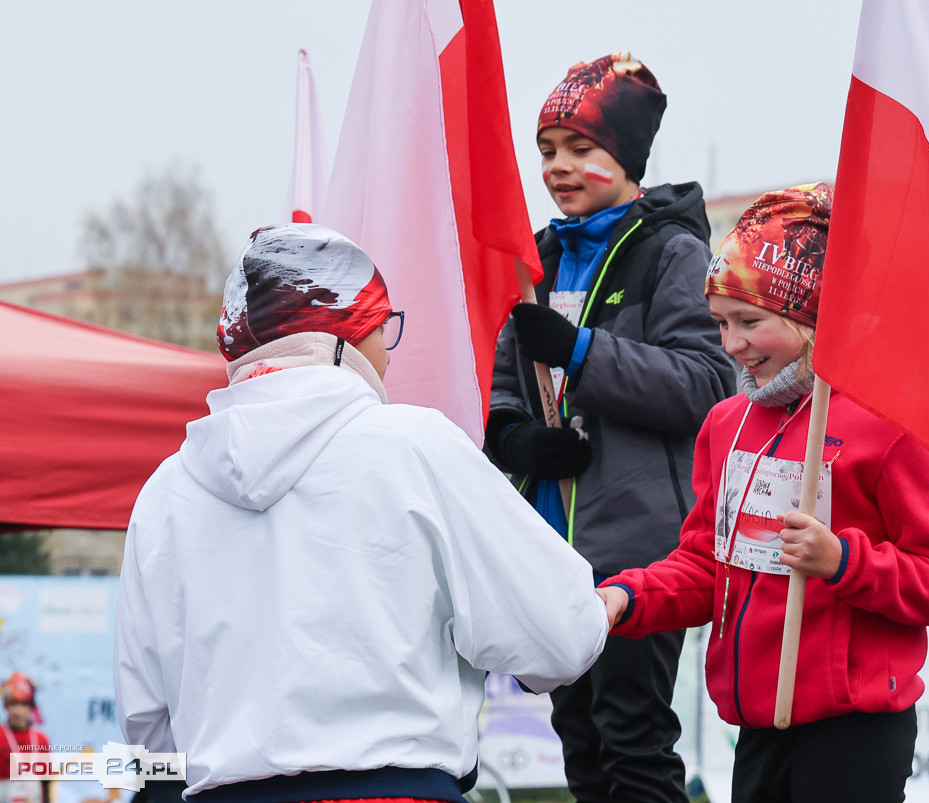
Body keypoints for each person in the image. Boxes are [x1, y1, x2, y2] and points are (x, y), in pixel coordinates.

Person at [114, 223, 610, 803]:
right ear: (344, 341)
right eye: (383, 330)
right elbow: (561, 636)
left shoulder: (166, 490)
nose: (388, 354)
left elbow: (147, 726)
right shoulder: (415, 446)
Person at [597, 184, 929, 803]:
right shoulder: (727, 422)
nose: (731, 345)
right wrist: (626, 597)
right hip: (756, 725)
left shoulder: (895, 424)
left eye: (750, 322)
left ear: (813, 314)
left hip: (854, 731)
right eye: (719, 323)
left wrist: (844, 562)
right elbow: (705, 567)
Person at [485, 52, 734, 803]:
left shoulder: (673, 252)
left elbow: (707, 383)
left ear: (625, 157)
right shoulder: (536, 257)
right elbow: (501, 397)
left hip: (639, 552)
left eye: (581, 149)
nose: (559, 167)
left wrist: (584, 353)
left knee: (633, 738)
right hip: (550, 551)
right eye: (548, 151)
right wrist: (517, 442)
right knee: (583, 745)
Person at [1, 672, 51, 803]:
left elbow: (46, 782)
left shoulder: (40, 739)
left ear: (31, 707)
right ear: (6, 706)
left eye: (23, 705)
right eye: (13, 704)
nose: (17, 711)